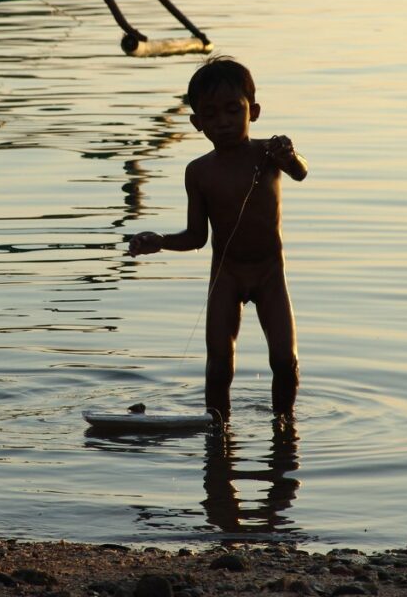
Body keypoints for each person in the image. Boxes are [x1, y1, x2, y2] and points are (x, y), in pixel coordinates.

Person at [128, 56, 307, 423]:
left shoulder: (267, 155)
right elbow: (196, 237)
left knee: (284, 359)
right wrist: (159, 241)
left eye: (232, 110)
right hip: (226, 276)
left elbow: (301, 173)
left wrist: (289, 155)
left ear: (253, 111)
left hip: (270, 274)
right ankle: (217, 425)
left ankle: (285, 425)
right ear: (196, 123)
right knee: (219, 361)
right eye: (210, 115)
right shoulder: (198, 172)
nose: (223, 122)